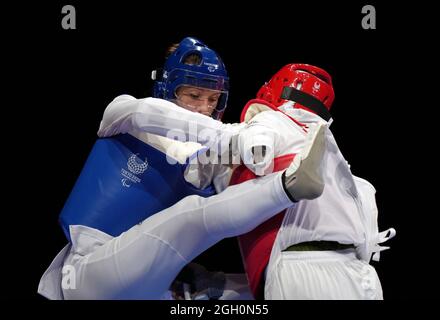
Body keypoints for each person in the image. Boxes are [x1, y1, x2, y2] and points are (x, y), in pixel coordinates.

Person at [38, 38, 327, 300]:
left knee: (249, 291)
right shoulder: (124, 112)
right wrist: (233, 136)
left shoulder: (208, 158)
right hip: (89, 274)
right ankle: (288, 186)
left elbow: (248, 191)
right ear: (168, 88)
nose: (204, 108)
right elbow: (147, 113)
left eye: (213, 99)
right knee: (192, 212)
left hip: (150, 287)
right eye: (193, 95)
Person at [231, 63, 396, 299]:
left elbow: (258, 154)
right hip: (355, 271)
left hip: (309, 269)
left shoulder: (271, 120)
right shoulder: (325, 146)